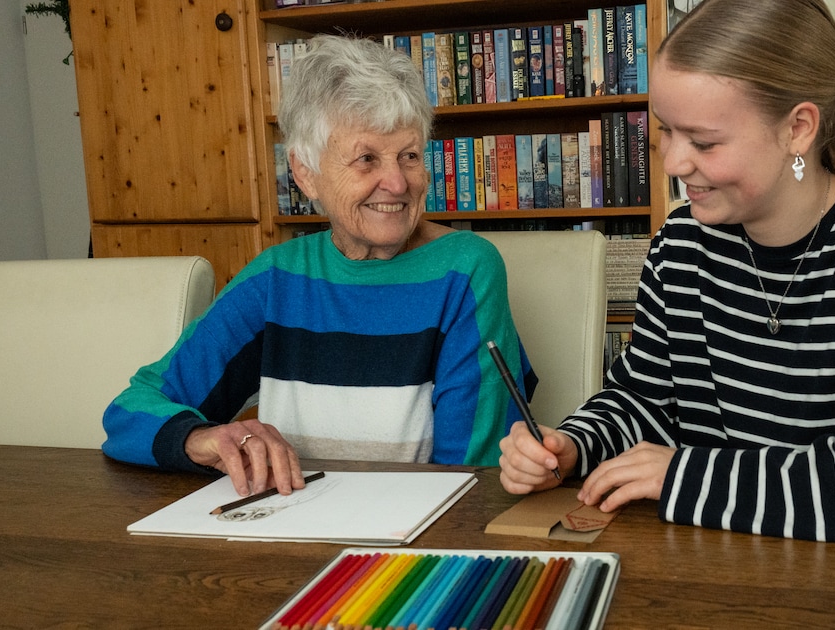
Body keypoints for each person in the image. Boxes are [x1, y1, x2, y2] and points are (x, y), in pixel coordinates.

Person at [498, 0, 835, 544]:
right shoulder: (681, 245)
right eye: (665, 132)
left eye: (705, 142)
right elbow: (644, 400)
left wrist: (689, 477)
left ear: (798, 129)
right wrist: (575, 446)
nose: (673, 163)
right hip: (718, 564)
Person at [103, 35, 533, 500]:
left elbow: (474, 473)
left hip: (417, 541)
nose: (396, 182)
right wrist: (201, 437)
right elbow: (129, 412)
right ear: (305, 173)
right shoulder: (277, 278)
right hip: (290, 535)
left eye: (409, 156)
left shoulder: (465, 270)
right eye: (367, 158)